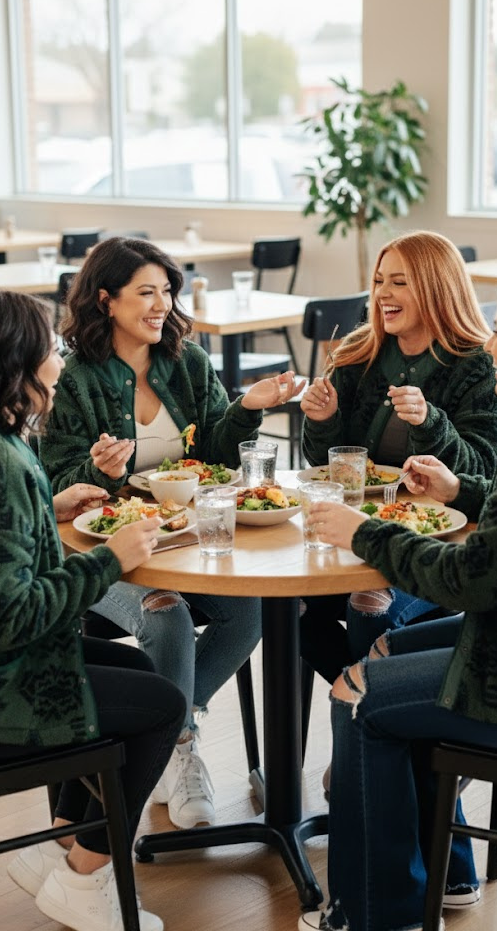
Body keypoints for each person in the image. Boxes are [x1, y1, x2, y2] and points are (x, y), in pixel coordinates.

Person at [299, 275, 497, 931]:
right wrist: (461, 490)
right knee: (388, 647)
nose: (492, 345)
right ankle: (443, 874)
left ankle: (375, 913)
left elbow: (472, 580)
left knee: (357, 693)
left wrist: (363, 531)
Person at [0, 290, 186, 931]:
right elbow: (8, 619)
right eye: (49, 346)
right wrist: (113, 559)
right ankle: (84, 877)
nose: (59, 355)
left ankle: (63, 847)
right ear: (17, 363)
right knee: (163, 707)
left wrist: (47, 509)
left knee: (140, 677)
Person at [41, 236, 304, 829]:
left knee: (252, 608)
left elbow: (212, 454)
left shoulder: (185, 360)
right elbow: (53, 484)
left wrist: (248, 407)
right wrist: (96, 471)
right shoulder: (76, 376)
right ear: (106, 300)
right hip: (101, 550)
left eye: (166, 291)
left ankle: (172, 730)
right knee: (166, 612)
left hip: (182, 536)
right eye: (145, 293)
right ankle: (179, 749)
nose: (161, 305)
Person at [298, 230, 497, 685]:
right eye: (379, 282)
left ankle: (364, 726)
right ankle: (363, 712)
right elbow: (324, 468)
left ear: (437, 287)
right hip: (353, 530)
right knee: (281, 606)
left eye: (400, 282)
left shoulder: (479, 367)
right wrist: (324, 419)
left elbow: (480, 474)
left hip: (439, 542)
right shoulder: (358, 352)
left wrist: (430, 423)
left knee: (368, 600)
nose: (383, 295)